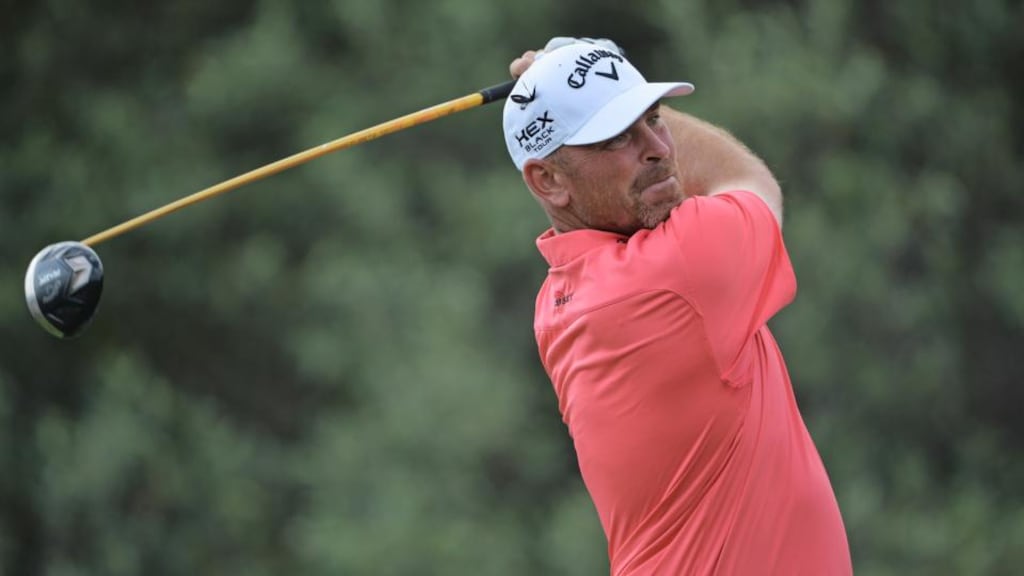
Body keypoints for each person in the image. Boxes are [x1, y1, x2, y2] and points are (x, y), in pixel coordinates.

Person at [502, 39, 853, 575]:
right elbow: (748, 179)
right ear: (548, 180)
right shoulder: (676, 270)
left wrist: (586, 86)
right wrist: (574, 77)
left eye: (655, 118)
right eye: (615, 136)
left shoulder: (557, 300)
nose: (659, 147)